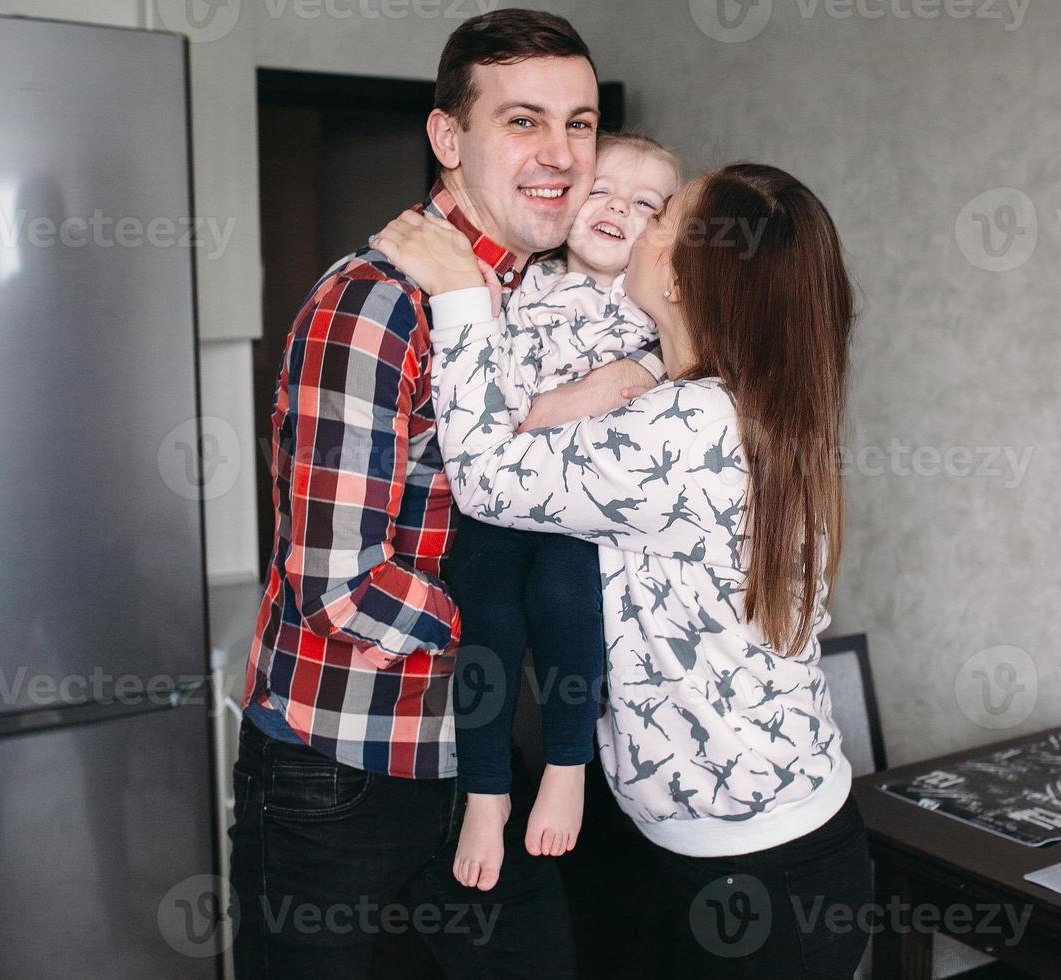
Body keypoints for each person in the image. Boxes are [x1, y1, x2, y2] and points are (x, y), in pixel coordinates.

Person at [229, 9, 658, 979]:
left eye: (580, 123)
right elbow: (339, 588)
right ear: (448, 137)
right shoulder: (375, 305)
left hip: (473, 759)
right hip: (340, 766)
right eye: (523, 121)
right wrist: (533, 638)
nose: (560, 153)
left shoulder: (545, 300)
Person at [373, 162, 874, 977]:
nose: (638, 222)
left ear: (678, 274)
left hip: (751, 881)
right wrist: (632, 370)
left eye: (664, 212)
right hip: (770, 846)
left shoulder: (688, 424)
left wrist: (462, 292)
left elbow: (489, 480)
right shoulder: (749, 401)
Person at [434, 130, 682, 891]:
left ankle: (568, 765)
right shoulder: (513, 285)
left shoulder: (654, 320)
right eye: (603, 189)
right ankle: (484, 790)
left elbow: (653, 400)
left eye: (646, 205)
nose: (617, 210)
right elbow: (481, 414)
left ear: (664, 234)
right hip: (499, 502)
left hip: (579, 516)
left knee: (570, 600)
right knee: (490, 617)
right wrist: (570, 403)